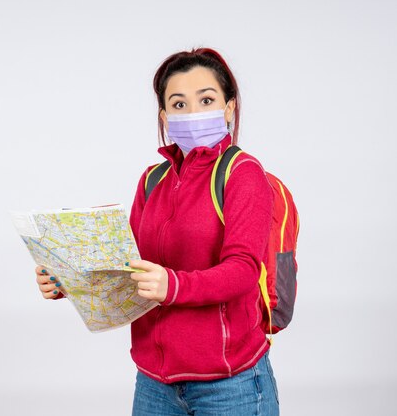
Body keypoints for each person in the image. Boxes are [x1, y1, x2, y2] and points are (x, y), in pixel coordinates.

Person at [34, 47, 280, 415]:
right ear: (164, 115)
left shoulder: (242, 173)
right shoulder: (152, 180)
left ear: (229, 108)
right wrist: (66, 280)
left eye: (207, 100)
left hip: (230, 384)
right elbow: (127, 268)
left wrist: (173, 285)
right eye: (179, 105)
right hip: (155, 384)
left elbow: (244, 269)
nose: (193, 113)